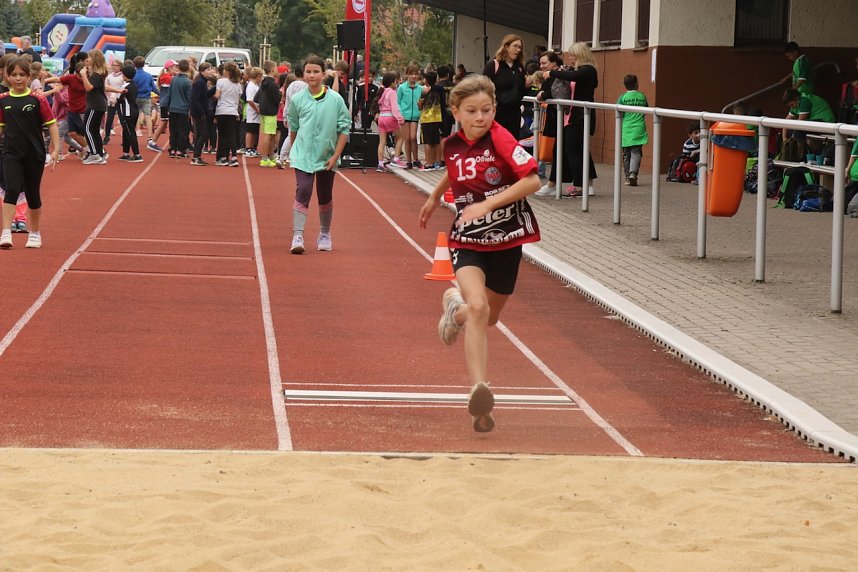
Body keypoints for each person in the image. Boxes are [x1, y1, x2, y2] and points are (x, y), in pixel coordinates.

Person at [418, 75, 540, 433]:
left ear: (494, 110)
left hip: (507, 239)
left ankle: (454, 312)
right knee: (481, 308)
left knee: (487, 317)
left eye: (486, 110)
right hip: (467, 240)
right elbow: (453, 170)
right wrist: (434, 195)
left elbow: (532, 180)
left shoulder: (500, 137)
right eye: (471, 111)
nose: (480, 117)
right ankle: (479, 394)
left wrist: (488, 204)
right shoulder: (453, 144)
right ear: (455, 112)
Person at [286, 54, 350, 255]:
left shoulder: (335, 100)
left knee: (324, 195)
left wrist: (335, 156)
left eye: (316, 72)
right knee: (303, 190)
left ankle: (324, 233)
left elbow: (344, 130)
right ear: (303, 74)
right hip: (303, 155)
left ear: (323, 74)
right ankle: (297, 235)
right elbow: (294, 127)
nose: (312, 75)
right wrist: (294, 151)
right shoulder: (297, 100)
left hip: (327, 155)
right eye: (308, 72)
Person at [0, 56, 59, 249]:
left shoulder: (37, 99)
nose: (18, 79)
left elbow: (51, 124)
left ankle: (34, 233)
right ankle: (6, 232)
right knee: (12, 188)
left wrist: (56, 149)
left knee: (33, 194)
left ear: (28, 76)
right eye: (14, 75)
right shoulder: (3, 100)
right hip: (11, 153)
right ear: (7, 76)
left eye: (22, 75)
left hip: (34, 154)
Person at [545, 42, 599, 197]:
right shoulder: (578, 71)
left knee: (574, 150)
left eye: (572, 55)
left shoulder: (588, 70)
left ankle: (580, 185)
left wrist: (553, 73)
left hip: (580, 117)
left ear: (580, 55)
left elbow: (574, 76)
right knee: (577, 150)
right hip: (571, 116)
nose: (569, 58)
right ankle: (586, 185)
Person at [483, 34, 528, 139]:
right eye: (515, 46)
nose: (518, 50)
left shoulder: (520, 68)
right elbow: (484, 88)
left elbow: (521, 91)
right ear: (506, 47)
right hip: (497, 113)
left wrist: (527, 85)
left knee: (511, 144)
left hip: (514, 114)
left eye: (520, 47)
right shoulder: (494, 65)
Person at [80, 49, 113, 165]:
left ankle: (94, 154)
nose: (86, 60)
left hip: (95, 105)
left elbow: (88, 88)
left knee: (87, 128)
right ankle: (100, 152)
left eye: (88, 58)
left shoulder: (96, 75)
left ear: (94, 60)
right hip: (99, 104)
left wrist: (84, 75)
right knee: (94, 130)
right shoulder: (99, 74)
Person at [616, 74, 648, 186]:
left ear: (624, 85)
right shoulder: (642, 96)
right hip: (639, 128)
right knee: (636, 152)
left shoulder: (622, 97)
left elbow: (618, 112)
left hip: (626, 129)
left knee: (626, 154)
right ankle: (633, 174)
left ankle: (627, 177)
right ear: (636, 84)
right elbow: (646, 111)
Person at [369, 71, 403, 172]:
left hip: (381, 119)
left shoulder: (382, 91)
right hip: (390, 118)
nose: (396, 84)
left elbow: (379, 103)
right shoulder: (392, 92)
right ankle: (396, 159)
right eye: (396, 82)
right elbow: (394, 108)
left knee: (382, 142)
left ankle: (380, 164)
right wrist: (400, 118)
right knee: (401, 137)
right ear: (392, 82)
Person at [278, 63, 307, 167]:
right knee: (301, 136)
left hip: (291, 113)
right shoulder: (305, 86)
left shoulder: (290, 86)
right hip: (302, 114)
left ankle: (282, 157)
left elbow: (287, 101)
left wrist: (285, 116)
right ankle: (295, 157)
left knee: (290, 135)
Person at [214, 62, 242, 167]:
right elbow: (238, 100)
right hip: (232, 111)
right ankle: (234, 157)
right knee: (231, 135)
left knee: (222, 135)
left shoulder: (221, 81)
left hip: (221, 110)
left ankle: (223, 157)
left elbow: (217, 95)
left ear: (226, 71)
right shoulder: (238, 84)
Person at [395, 64, 422, 169]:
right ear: (407, 75)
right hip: (404, 116)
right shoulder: (402, 87)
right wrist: (400, 113)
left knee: (413, 137)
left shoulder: (420, 88)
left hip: (415, 116)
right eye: (411, 74)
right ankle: (409, 161)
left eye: (415, 74)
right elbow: (398, 101)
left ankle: (416, 159)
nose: (413, 76)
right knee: (407, 138)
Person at [190, 62, 216, 166]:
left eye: (210, 69)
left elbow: (205, 96)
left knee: (201, 134)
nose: (210, 72)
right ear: (202, 71)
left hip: (200, 111)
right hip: (198, 112)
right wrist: (201, 112)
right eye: (208, 70)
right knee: (204, 134)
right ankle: (196, 157)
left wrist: (215, 87)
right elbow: (195, 99)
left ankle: (197, 156)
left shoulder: (203, 82)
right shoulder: (200, 82)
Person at [255, 60, 281, 167]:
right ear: (272, 69)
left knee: (270, 134)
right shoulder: (273, 84)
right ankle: (265, 158)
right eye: (276, 67)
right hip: (270, 112)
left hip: (264, 111)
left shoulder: (263, 83)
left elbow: (257, 98)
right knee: (268, 135)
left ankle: (270, 156)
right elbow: (277, 99)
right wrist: (280, 95)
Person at [418, 70, 445, 171]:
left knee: (427, 142)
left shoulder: (424, 91)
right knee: (436, 141)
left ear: (427, 80)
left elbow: (420, 106)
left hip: (426, 118)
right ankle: (437, 162)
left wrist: (419, 102)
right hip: (437, 117)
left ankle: (428, 163)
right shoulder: (439, 90)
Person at [115, 64, 142, 162]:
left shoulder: (125, 86)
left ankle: (137, 154)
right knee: (127, 132)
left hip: (128, 112)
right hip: (133, 111)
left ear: (125, 75)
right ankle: (125, 153)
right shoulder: (134, 84)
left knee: (130, 133)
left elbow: (118, 97)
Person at [167, 59, 192, 159]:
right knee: (183, 130)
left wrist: (169, 106)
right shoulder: (188, 82)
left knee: (173, 130)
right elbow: (189, 97)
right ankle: (181, 150)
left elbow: (170, 94)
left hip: (173, 108)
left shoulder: (173, 79)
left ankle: (173, 149)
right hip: (183, 109)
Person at [132, 56, 158, 138]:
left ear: (134, 64)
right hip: (146, 98)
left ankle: (137, 130)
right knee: (147, 116)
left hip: (135, 97)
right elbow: (153, 87)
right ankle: (150, 135)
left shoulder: (133, 75)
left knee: (136, 115)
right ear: (144, 64)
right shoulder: (148, 75)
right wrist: (159, 93)